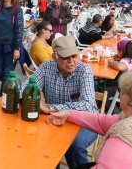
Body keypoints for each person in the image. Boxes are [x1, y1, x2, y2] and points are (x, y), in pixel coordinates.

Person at [46, 70, 132, 169]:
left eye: (120, 90)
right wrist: (69, 114)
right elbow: (102, 121)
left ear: (127, 98)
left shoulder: (124, 139)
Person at [21, 36, 97, 168]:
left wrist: (51, 108)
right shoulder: (47, 67)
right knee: (36, 140)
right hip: (54, 120)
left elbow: (88, 105)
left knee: (75, 145)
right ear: (54, 56)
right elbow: (24, 88)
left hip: (85, 119)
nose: (71, 61)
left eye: (74, 55)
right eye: (65, 57)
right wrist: (34, 99)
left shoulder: (84, 70)